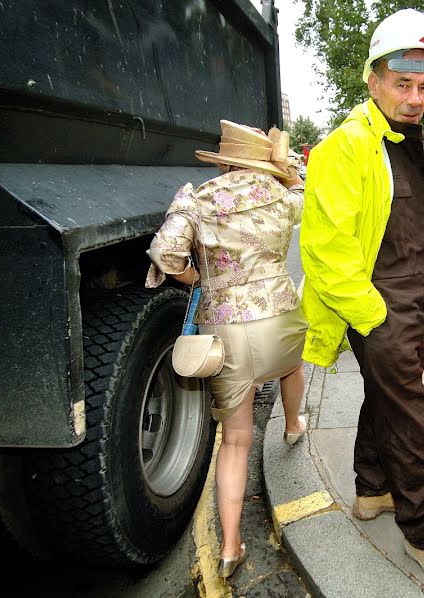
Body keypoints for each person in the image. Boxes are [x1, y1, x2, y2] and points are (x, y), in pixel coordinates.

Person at [299, 9, 424, 592]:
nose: (416, 98)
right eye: (402, 85)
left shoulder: (410, 138)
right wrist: (376, 318)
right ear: (372, 79)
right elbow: (325, 251)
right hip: (381, 304)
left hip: (413, 300)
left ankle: (371, 491)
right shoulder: (345, 148)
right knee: (411, 418)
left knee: (387, 403)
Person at [145, 120, 308, 580]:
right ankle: (293, 425)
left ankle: (231, 547)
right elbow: (304, 193)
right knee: (291, 366)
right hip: (280, 317)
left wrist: (199, 280)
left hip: (227, 332)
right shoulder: (284, 197)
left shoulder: (195, 199)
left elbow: (166, 255)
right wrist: (286, 170)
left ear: (225, 159)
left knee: (235, 442)